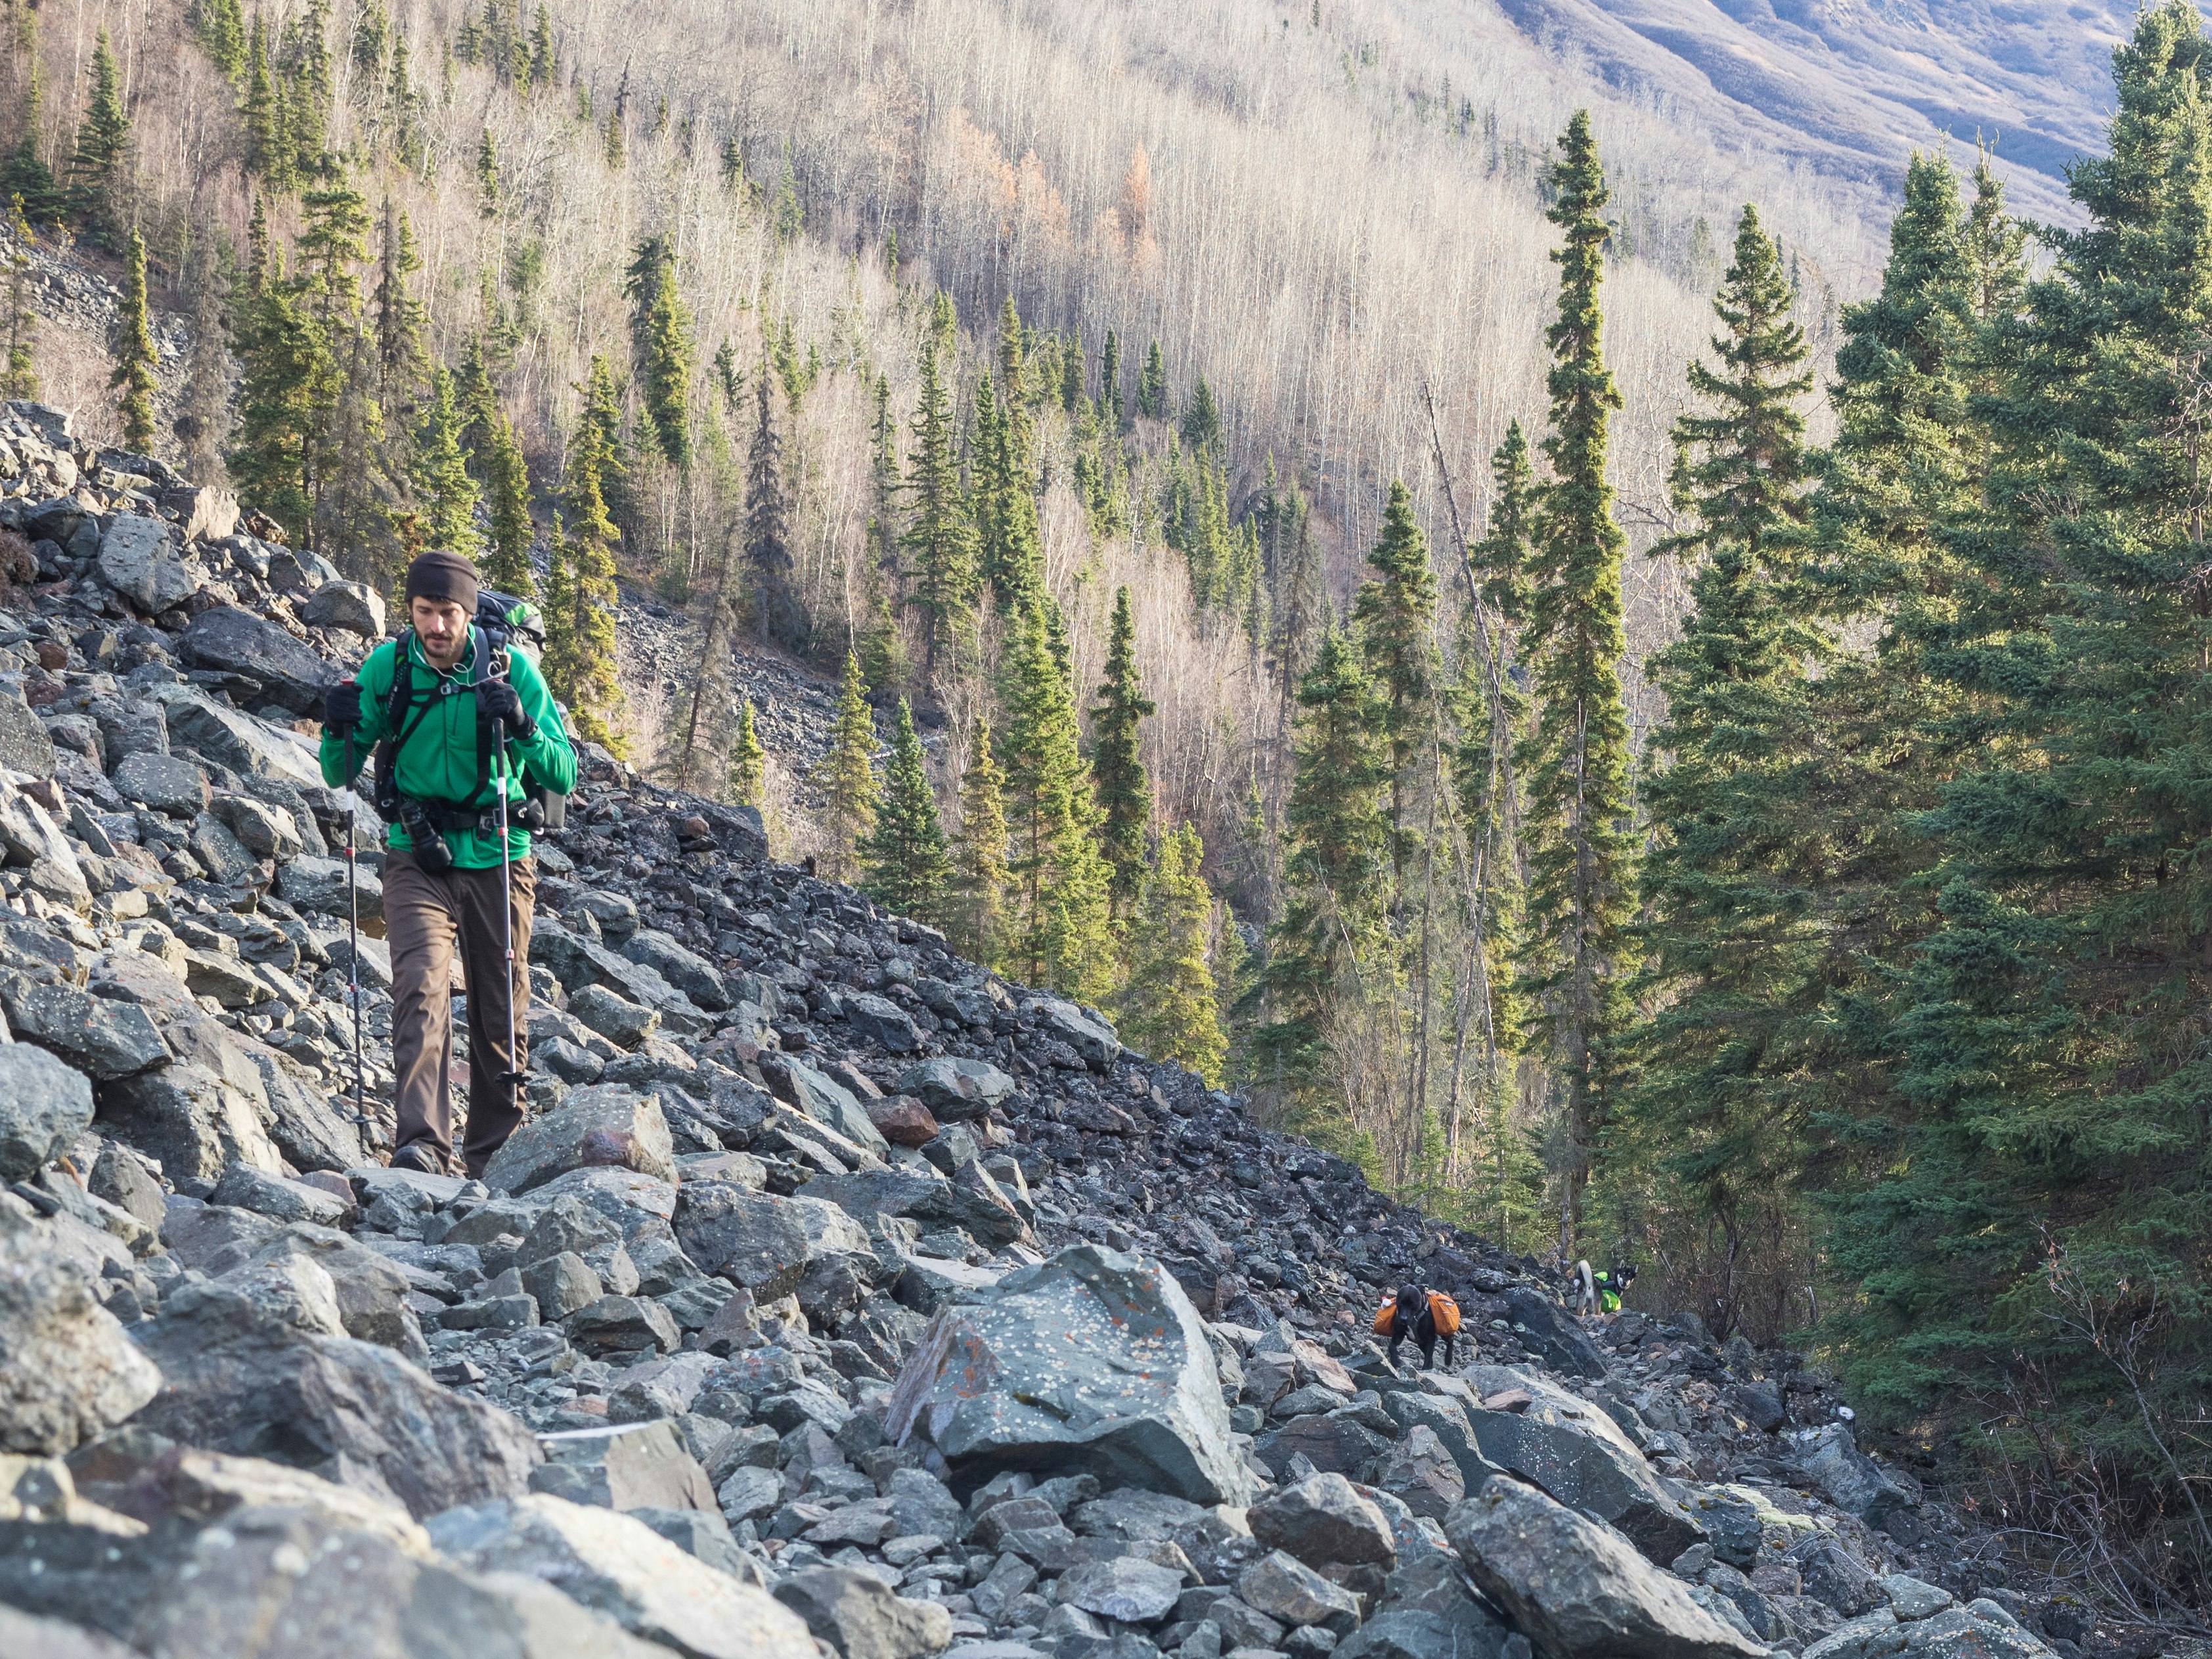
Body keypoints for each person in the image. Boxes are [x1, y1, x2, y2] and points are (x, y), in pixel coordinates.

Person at [319, 550, 577, 1178]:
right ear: (409, 612)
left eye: (450, 613)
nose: (438, 627)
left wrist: (518, 721)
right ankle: (422, 1147)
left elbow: (563, 773)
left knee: (500, 1006)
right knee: (419, 988)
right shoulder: (390, 668)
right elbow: (337, 773)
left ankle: (493, 1156)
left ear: (468, 613)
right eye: (426, 612)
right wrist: (337, 728)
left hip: (498, 854)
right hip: (416, 853)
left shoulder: (508, 669)